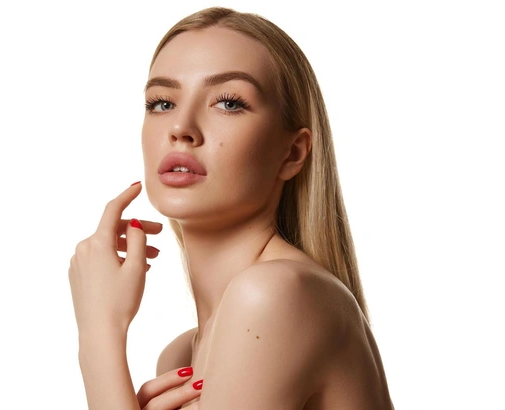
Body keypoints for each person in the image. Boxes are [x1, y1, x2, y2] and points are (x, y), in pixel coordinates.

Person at [69, 6, 394, 409]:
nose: (181, 128)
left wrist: (99, 332)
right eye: (162, 103)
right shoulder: (180, 356)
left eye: (228, 103)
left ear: (293, 152)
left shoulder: (275, 295)